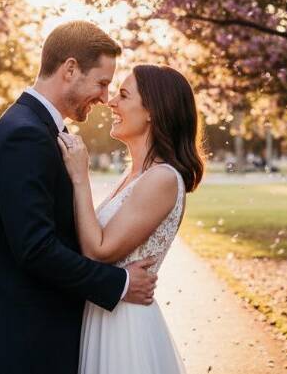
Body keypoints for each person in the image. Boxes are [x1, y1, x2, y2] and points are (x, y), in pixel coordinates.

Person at [0, 21, 159, 374]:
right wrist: (121, 283)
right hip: (28, 339)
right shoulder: (25, 135)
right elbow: (35, 248)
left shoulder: (36, 128)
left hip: (36, 333)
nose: (103, 97)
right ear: (70, 69)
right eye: (101, 83)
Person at [58, 64, 204, 374]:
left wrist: (80, 176)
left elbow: (99, 250)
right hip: (105, 314)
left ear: (153, 111)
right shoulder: (134, 175)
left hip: (126, 328)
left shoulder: (162, 179)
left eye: (123, 95)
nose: (111, 102)